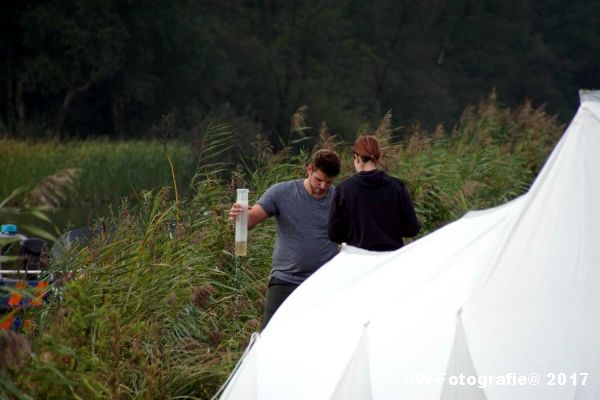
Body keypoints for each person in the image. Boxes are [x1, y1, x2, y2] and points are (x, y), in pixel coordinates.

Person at [229, 149, 341, 328]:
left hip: (322, 282)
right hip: (285, 280)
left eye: (328, 182)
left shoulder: (339, 198)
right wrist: (239, 214)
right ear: (309, 170)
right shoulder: (282, 192)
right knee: (269, 338)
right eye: (319, 180)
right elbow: (250, 220)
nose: (322, 187)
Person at [328, 135, 420, 251]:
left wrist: (353, 236)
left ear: (356, 157)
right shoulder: (397, 187)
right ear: (378, 157)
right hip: (390, 259)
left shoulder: (343, 190)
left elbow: (334, 234)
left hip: (358, 259)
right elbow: (412, 229)